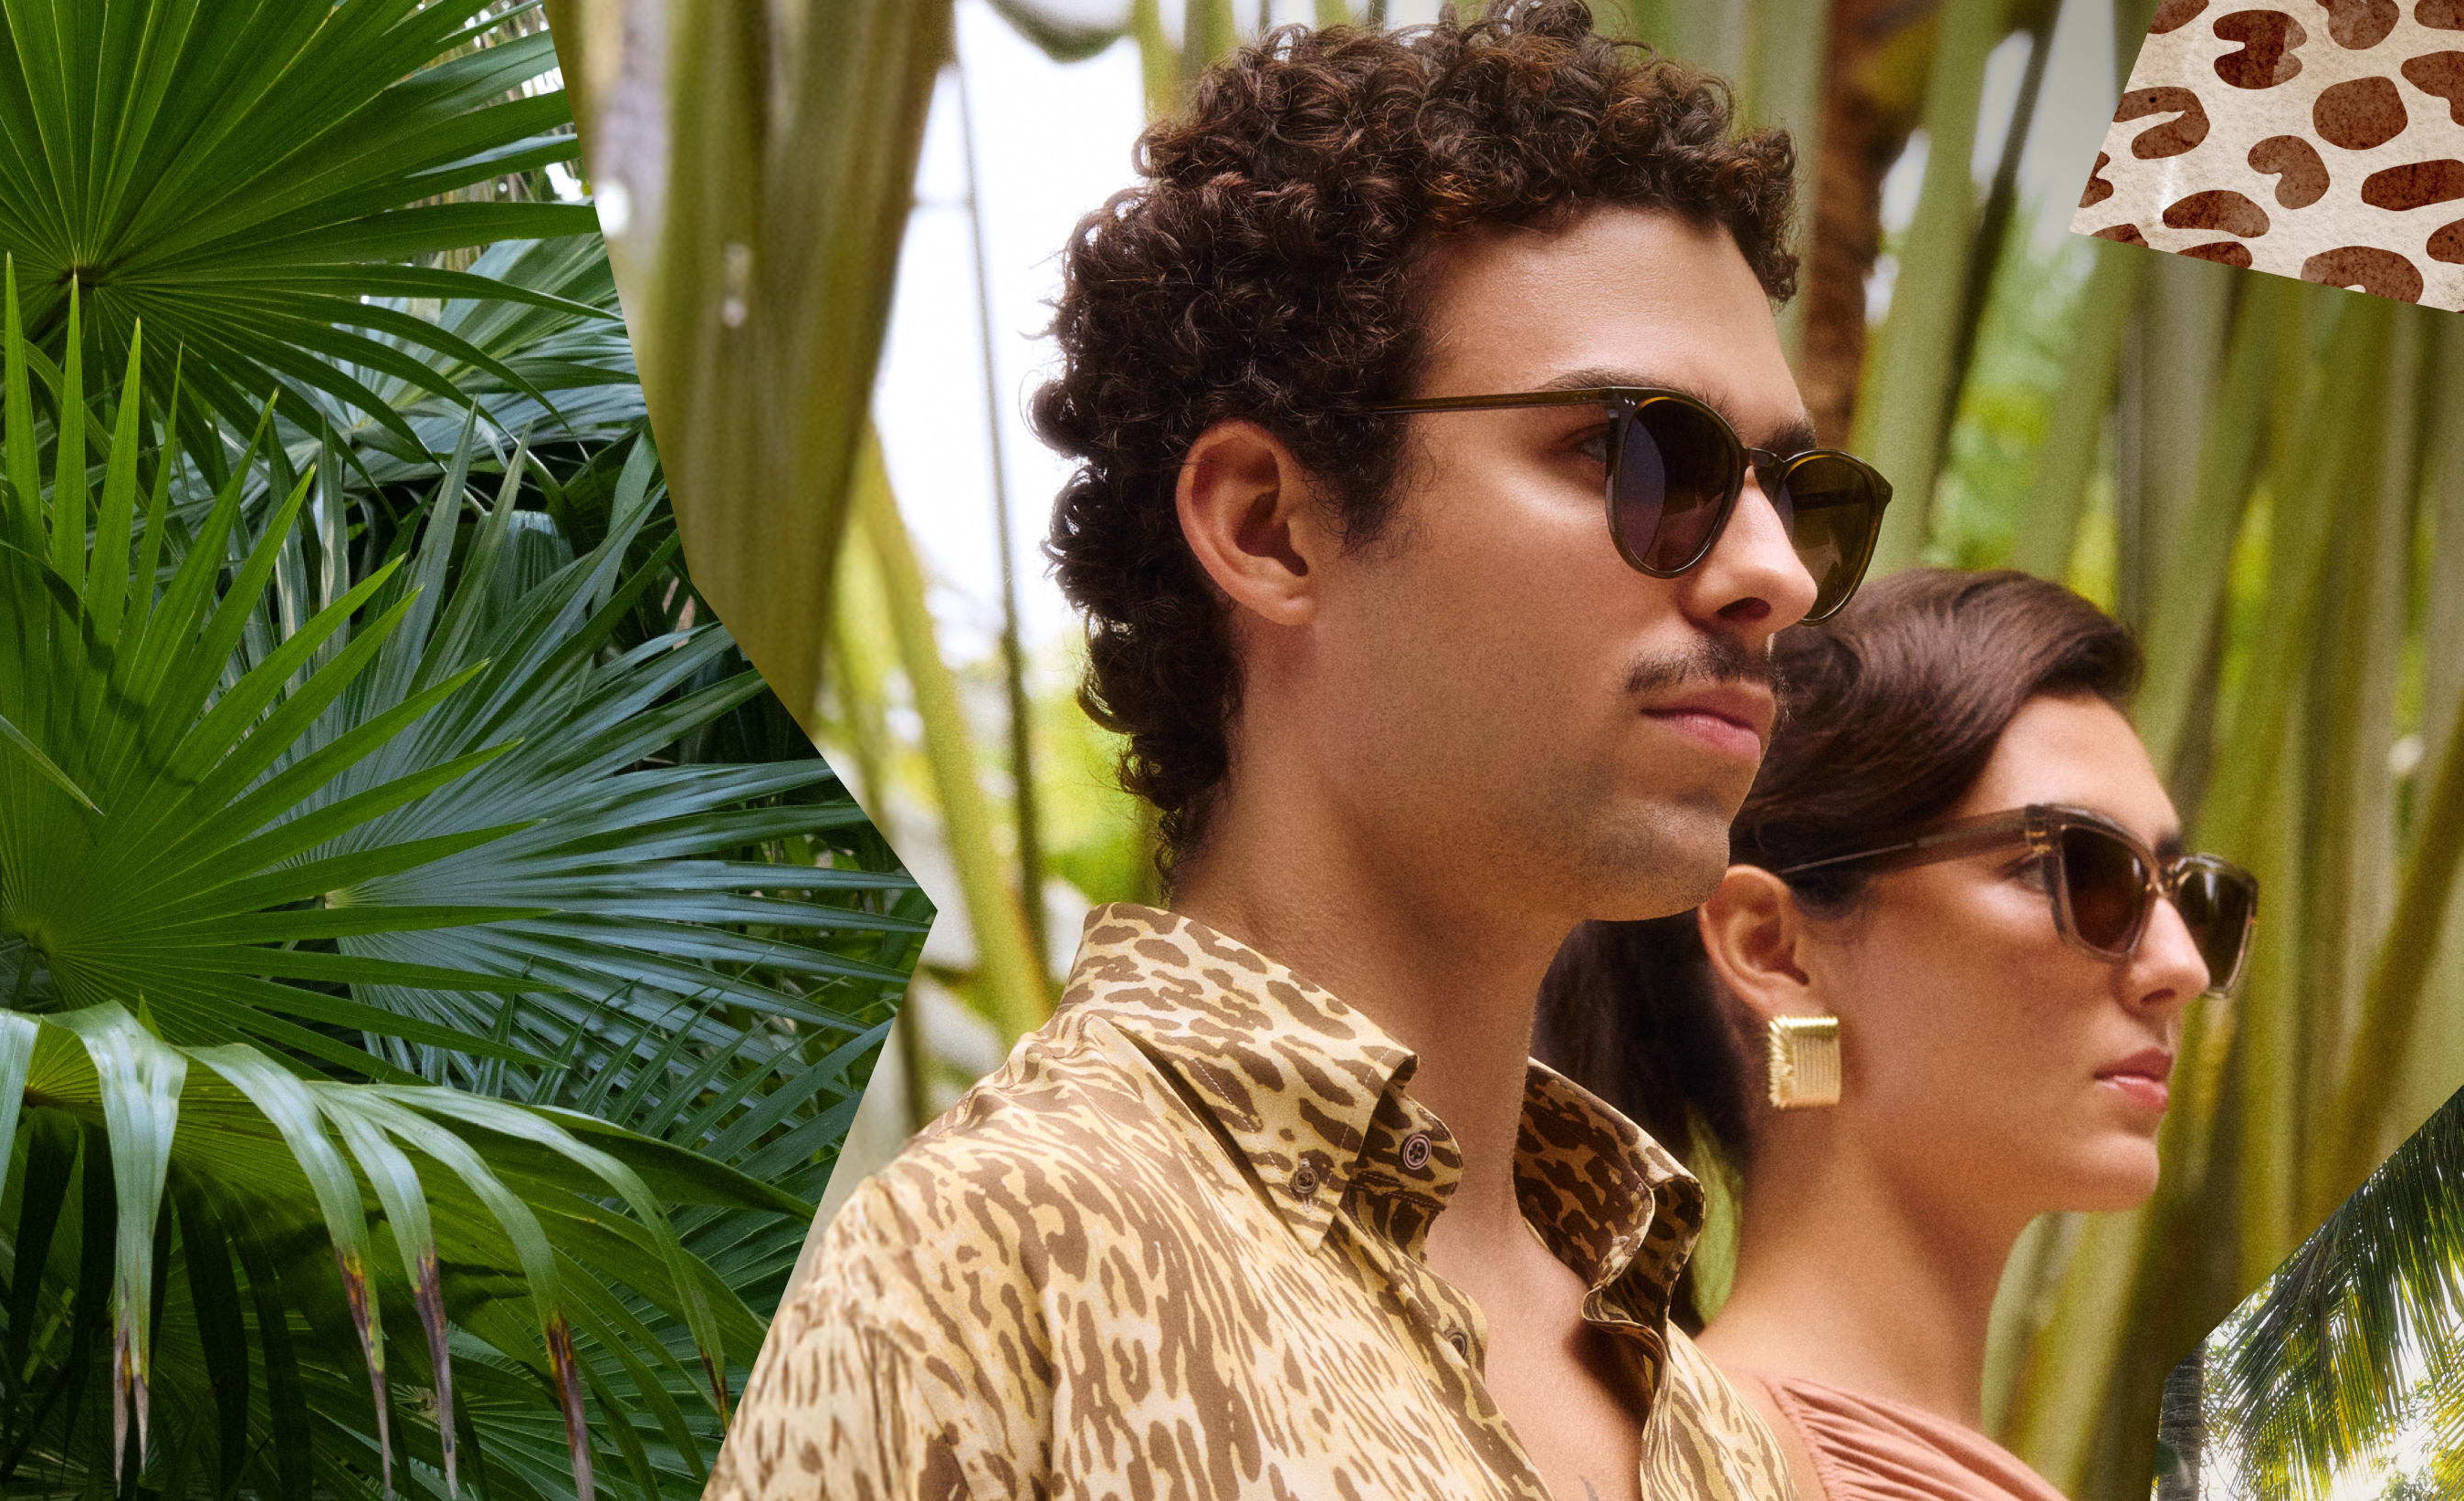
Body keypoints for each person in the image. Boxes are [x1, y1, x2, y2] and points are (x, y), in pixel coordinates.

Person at [709, 5, 1894, 1499]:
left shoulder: (1708, 1421)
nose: (1769, 572)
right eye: (1642, 453)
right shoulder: (987, 1278)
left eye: (1801, 492)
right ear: (1268, 523)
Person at [1536, 569, 2256, 1501]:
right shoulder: (1693, 1472)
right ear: (1776, 952)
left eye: (2188, 896)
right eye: (2082, 871)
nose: (2181, 967)